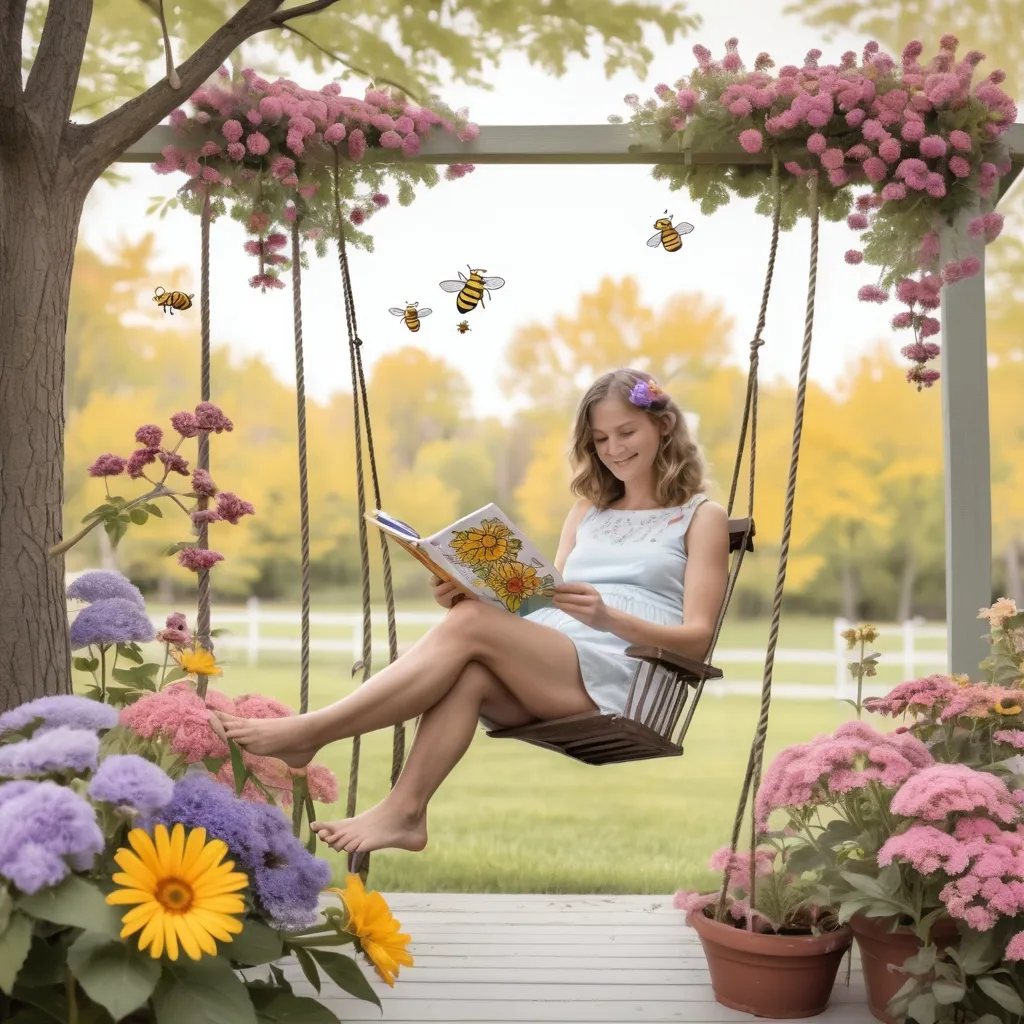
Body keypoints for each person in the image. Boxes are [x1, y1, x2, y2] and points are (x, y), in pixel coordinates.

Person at [210, 368, 730, 855]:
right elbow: (546, 604)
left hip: (626, 674)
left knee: (473, 627)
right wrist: (472, 594)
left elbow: (699, 637)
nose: (613, 449)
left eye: (626, 431)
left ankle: (311, 732)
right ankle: (406, 812)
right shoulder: (586, 513)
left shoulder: (701, 517)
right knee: (471, 666)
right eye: (599, 439)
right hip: (559, 654)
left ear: (662, 426)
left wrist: (610, 619)